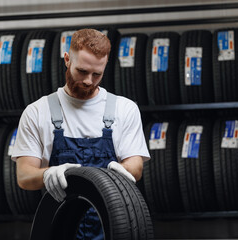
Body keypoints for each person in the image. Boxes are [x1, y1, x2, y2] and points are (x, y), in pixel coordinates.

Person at [11, 28, 150, 239]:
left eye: (97, 74)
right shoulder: (38, 112)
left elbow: (136, 165)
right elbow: (24, 176)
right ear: (67, 59)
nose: (88, 81)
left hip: (113, 226)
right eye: (82, 71)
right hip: (60, 226)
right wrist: (48, 174)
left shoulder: (124, 109)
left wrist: (122, 170)